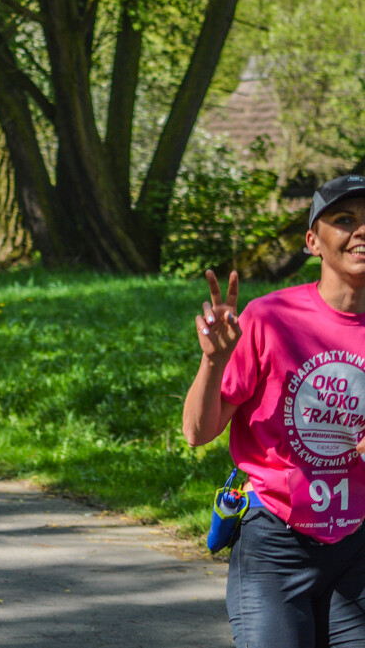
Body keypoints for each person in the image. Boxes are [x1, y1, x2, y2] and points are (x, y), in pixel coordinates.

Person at [182, 174, 365, 647]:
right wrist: (213, 360)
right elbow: (198, 432)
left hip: (358, 546)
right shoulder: (269, 318)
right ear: (312, 241)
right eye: (344, 220)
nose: (361, 232)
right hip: (274, 542)